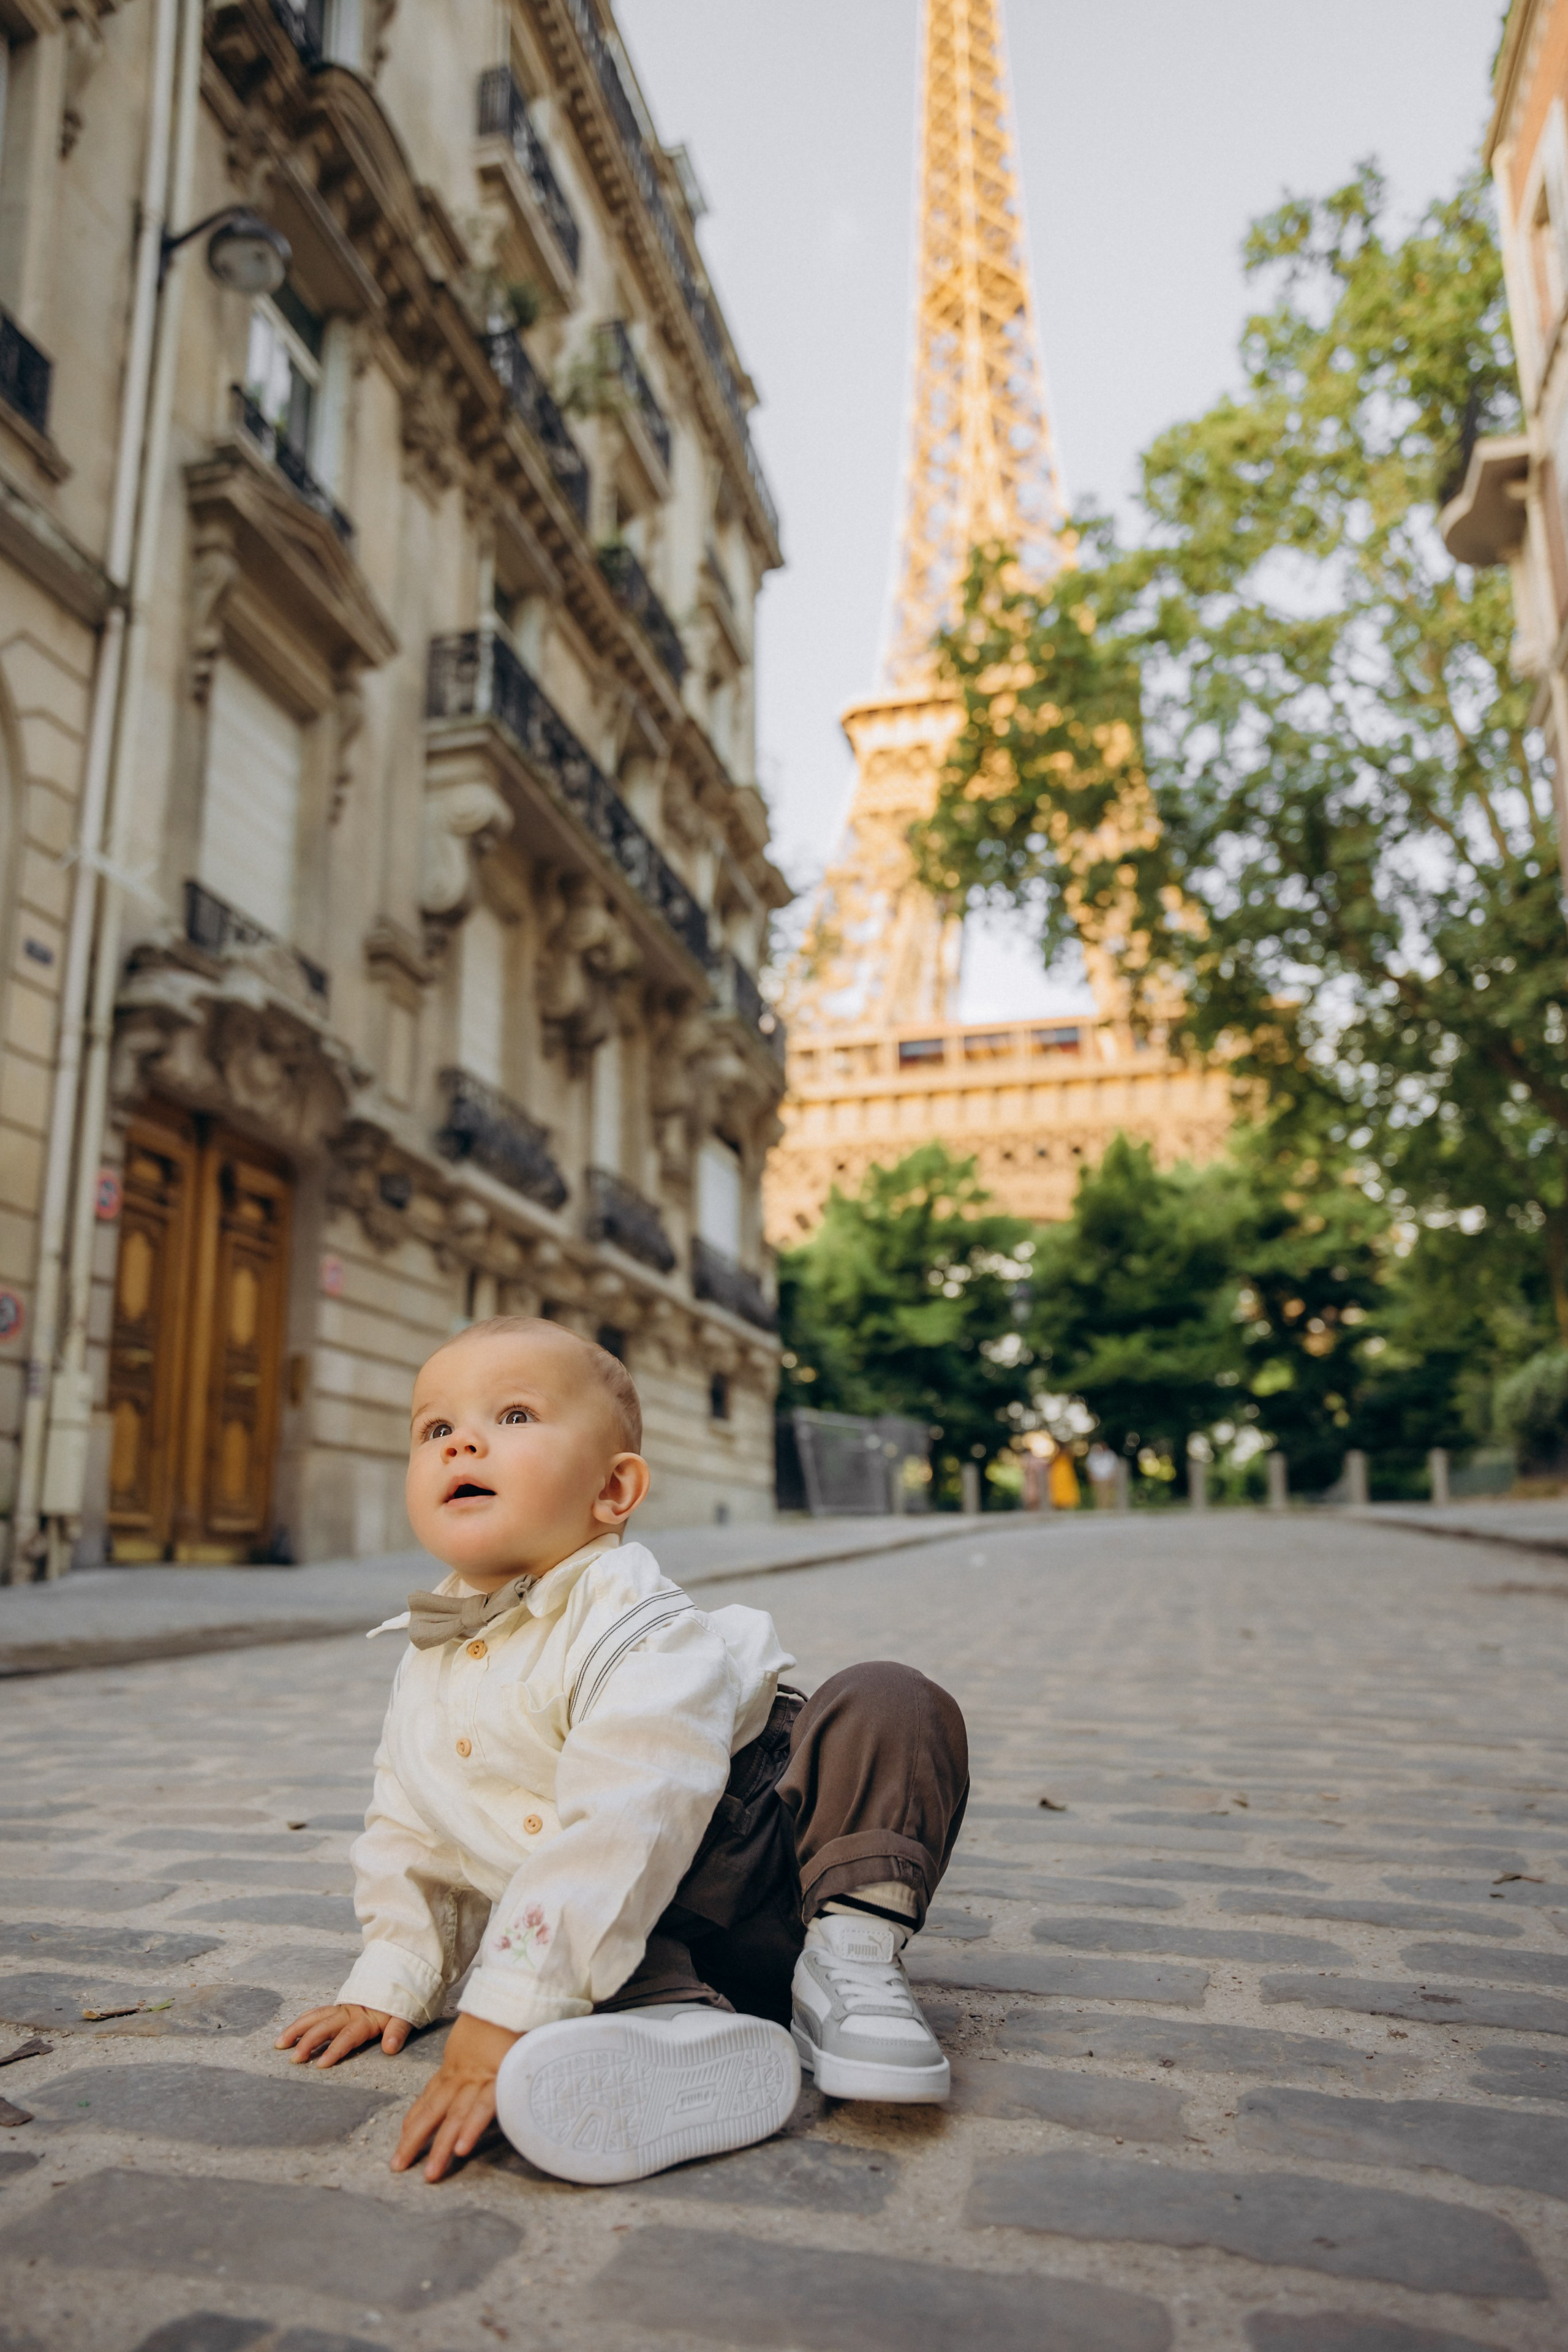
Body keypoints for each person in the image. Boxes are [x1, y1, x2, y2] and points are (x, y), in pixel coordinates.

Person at [274, 1317, 968, 2187]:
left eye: (514, 1416)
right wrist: (392, 1979)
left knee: (890, 1699)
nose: (463, 1445)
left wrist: (496, 2022)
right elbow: (411, 1832)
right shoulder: (427, 1658)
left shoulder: (632, 1615)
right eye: (436, 1429)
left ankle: (852, 1967)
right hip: (633, 1929)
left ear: (613, 1491)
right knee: (583, 1940)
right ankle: (678, 2030)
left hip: (767, 1862)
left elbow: (634, 1808)